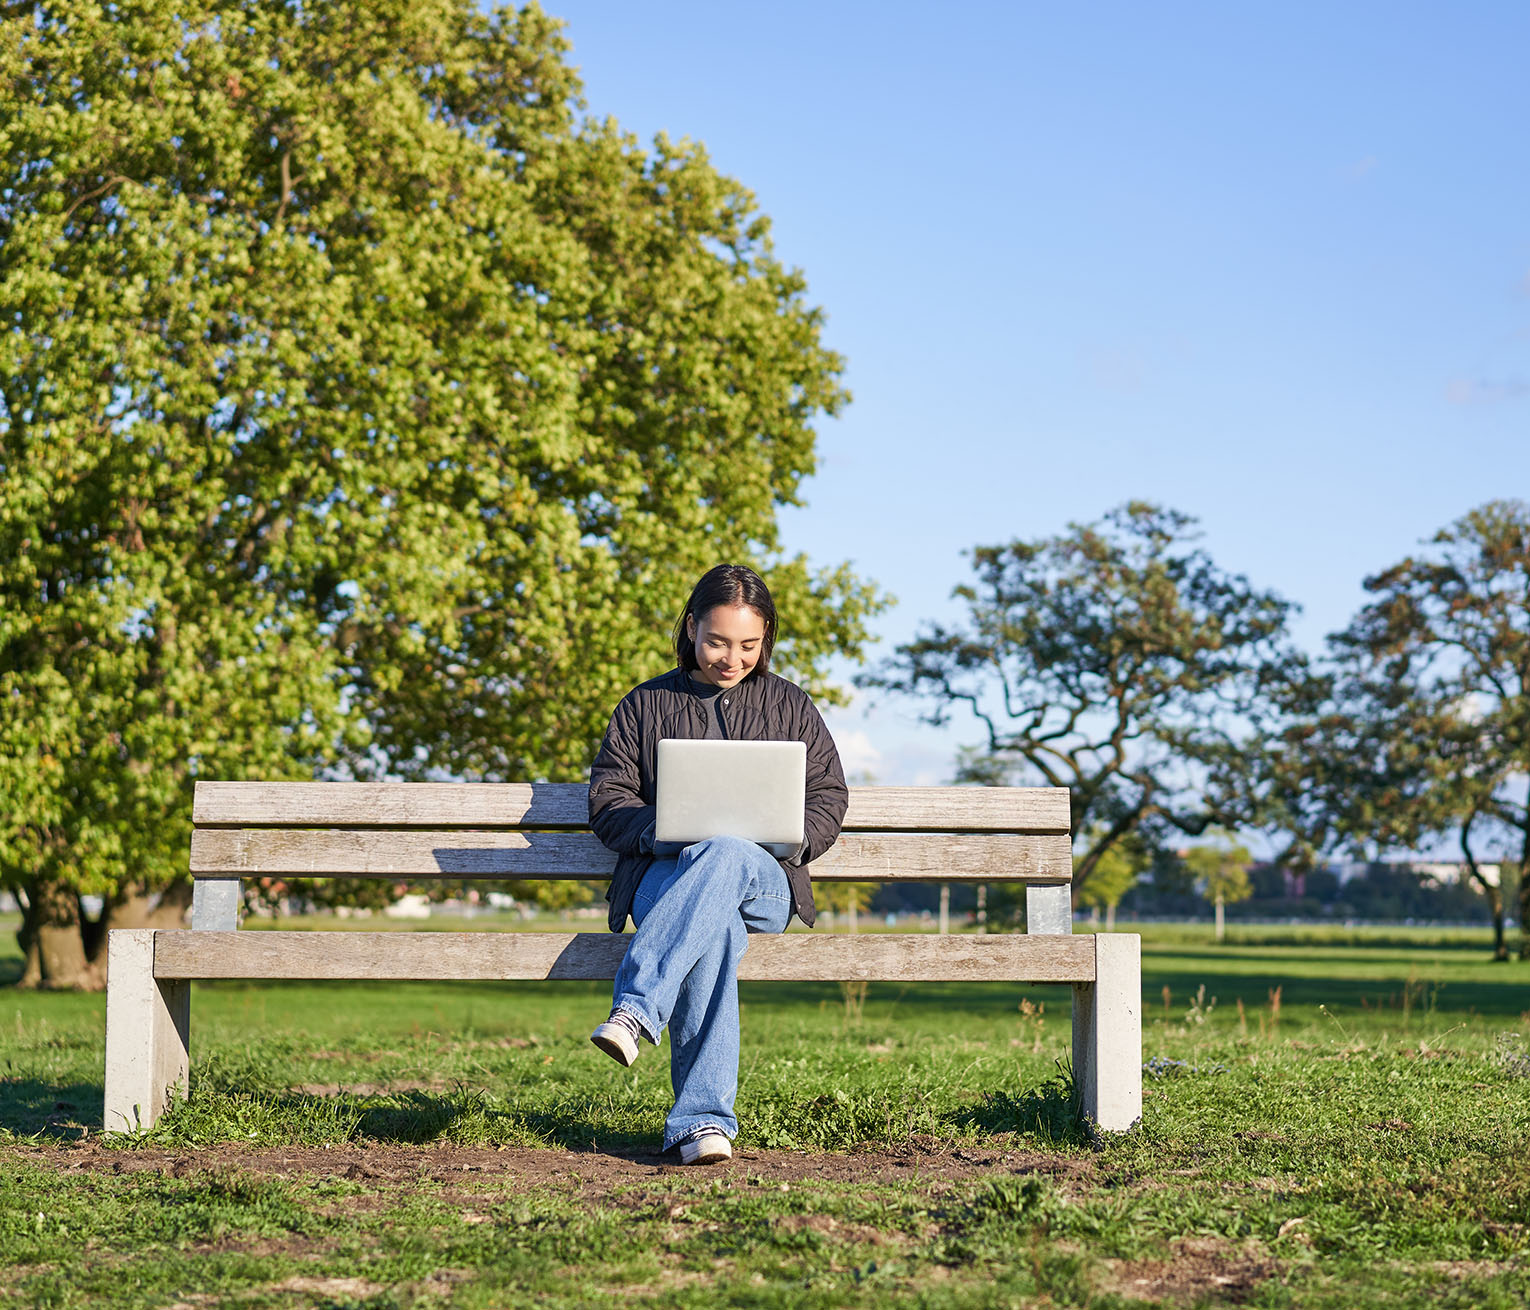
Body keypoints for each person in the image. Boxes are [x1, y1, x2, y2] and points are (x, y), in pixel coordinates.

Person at [586, 563, 848, 1165]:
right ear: (690, 629)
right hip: (665, 878)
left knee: (728, 850)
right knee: (716, 929)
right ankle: (702, 1126)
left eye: (749, 645)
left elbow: (828, 795)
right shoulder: (646, 704)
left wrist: (793, 838)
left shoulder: (789, 704)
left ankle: (636, 1009)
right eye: (717, 642)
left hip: (765, 884)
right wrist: (663, 830)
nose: (732, 658)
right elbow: (608, 801)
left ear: (767, 639)